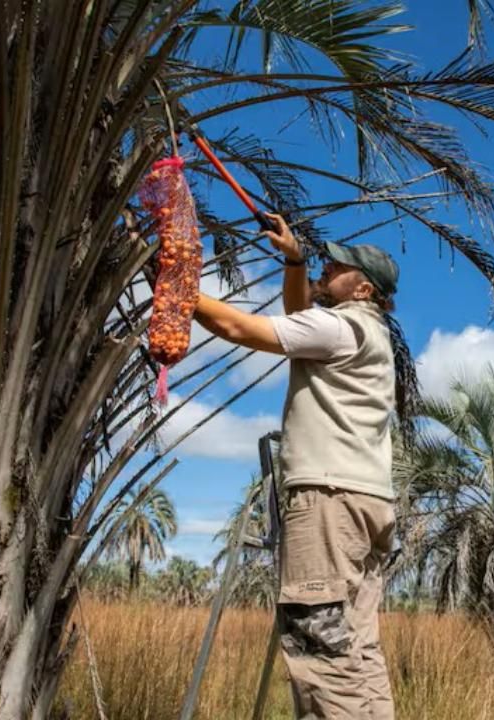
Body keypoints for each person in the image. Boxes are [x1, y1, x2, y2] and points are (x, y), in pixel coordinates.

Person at [192, 212, 400, 719]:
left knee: (322, 653)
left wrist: (174, 280)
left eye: (340, 267)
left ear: (364, 290)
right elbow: (298, 318)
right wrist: (294, 261)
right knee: (357, 650)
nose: (329, 267)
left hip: (329, 504)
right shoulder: (367, 334)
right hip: (366, 505)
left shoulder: (341, 325)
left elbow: (236, 326)